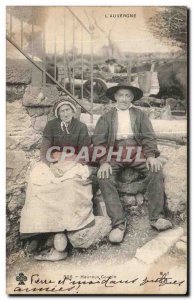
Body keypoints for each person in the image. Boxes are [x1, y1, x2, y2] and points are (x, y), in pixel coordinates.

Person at [92, 82, 171, 244]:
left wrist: (150, 155)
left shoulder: (139, 115)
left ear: (132, 98)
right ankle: (119, 224)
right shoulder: (106, 117)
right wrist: (104, 162)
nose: (124, 99)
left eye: (128, 95)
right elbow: (99, 141)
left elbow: (148, 137)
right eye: (121, 95)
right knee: (104, 177)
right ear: (115, 97)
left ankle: (156, 217)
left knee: (155, 169)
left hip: (136, 151)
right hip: (115, 152)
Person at [20, 97, 95, 261]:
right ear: (57, 113)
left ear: (73, 111)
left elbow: (85, 153)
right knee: (38, 184)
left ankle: (63, 230)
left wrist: (69, 162)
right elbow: (45, 149)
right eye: (62, 111)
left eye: (68, 110)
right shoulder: (51, 126)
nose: (66, 113)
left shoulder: (80, 127)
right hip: (54, 163)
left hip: (74, 163)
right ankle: (37, 232)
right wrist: (51, 165)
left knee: (69, 185)